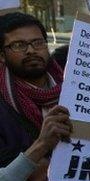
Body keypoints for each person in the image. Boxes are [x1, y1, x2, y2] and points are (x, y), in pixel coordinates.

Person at [0, 13, 63, 166]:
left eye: (37, 42)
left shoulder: (73, 85)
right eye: (18, 45)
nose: (31, 50)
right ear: (2, 56)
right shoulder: (3, 109)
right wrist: (42, 145)